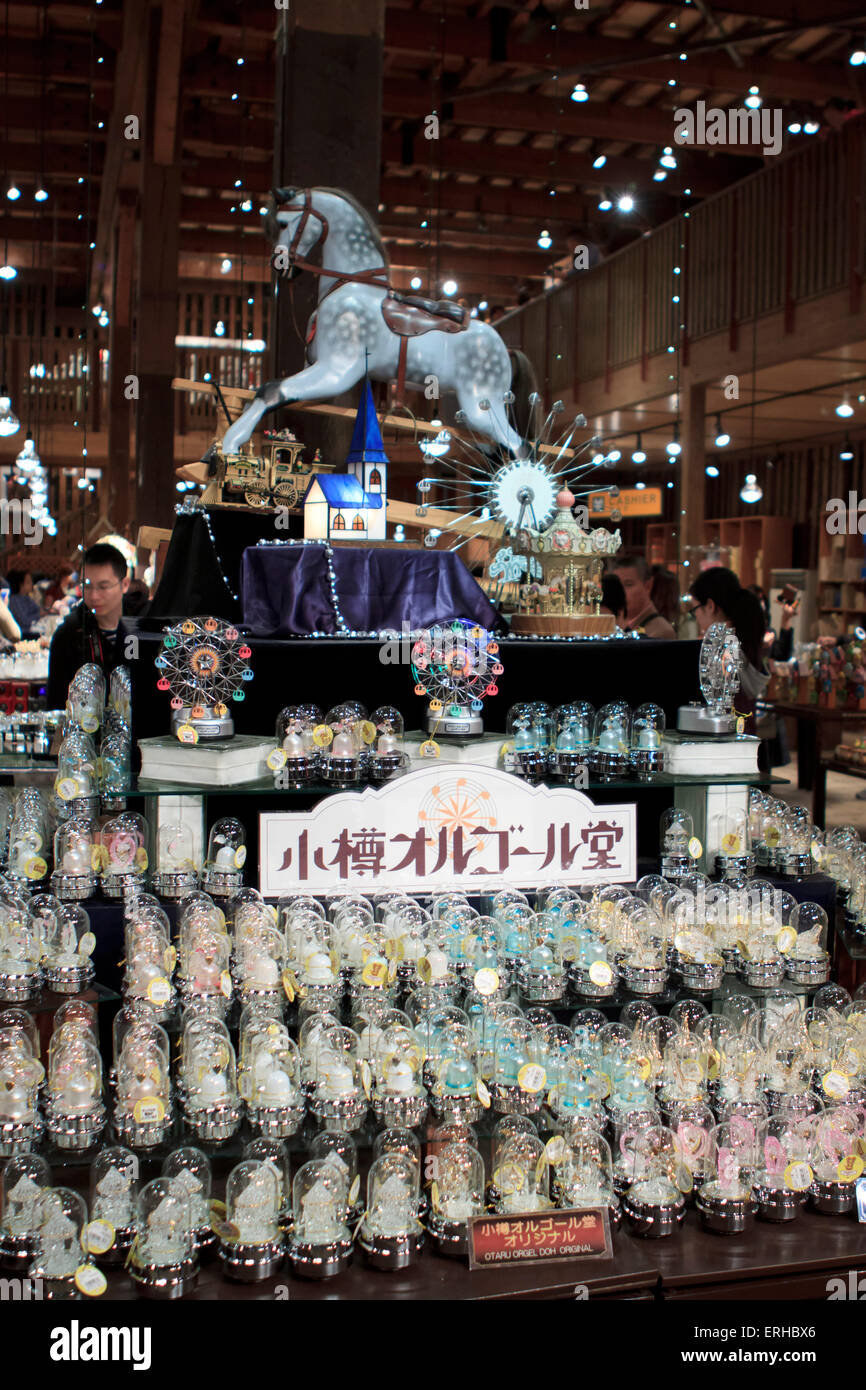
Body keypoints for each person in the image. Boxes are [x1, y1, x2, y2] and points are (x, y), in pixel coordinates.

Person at [47, 542, 131, 710]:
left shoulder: (141, 627)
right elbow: (56, 703)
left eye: (103, 587)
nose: (94, 596)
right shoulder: (69, 633)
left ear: (125, 585)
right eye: (87, 586)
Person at [688, 566, 768, 733]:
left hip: (723, 736)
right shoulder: (745, 636)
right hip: (746, 734)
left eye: (694, 609)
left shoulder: (717, 647)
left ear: (710, 606)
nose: (695, 616)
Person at [612, 554, 677, 639]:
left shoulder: (660, 632)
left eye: (628, 584)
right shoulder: (616, 625)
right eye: (616, 586)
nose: (619, 592)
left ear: (648, 586)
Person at [6, 570, 42, 637]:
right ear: (21, 585)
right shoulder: (14, 600)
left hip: (34, 629)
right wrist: (39, 614)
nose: (31, 583)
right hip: (24, 633)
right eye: (28, 582)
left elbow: (37, 610)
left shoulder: (27, 598)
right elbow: (24, 621)